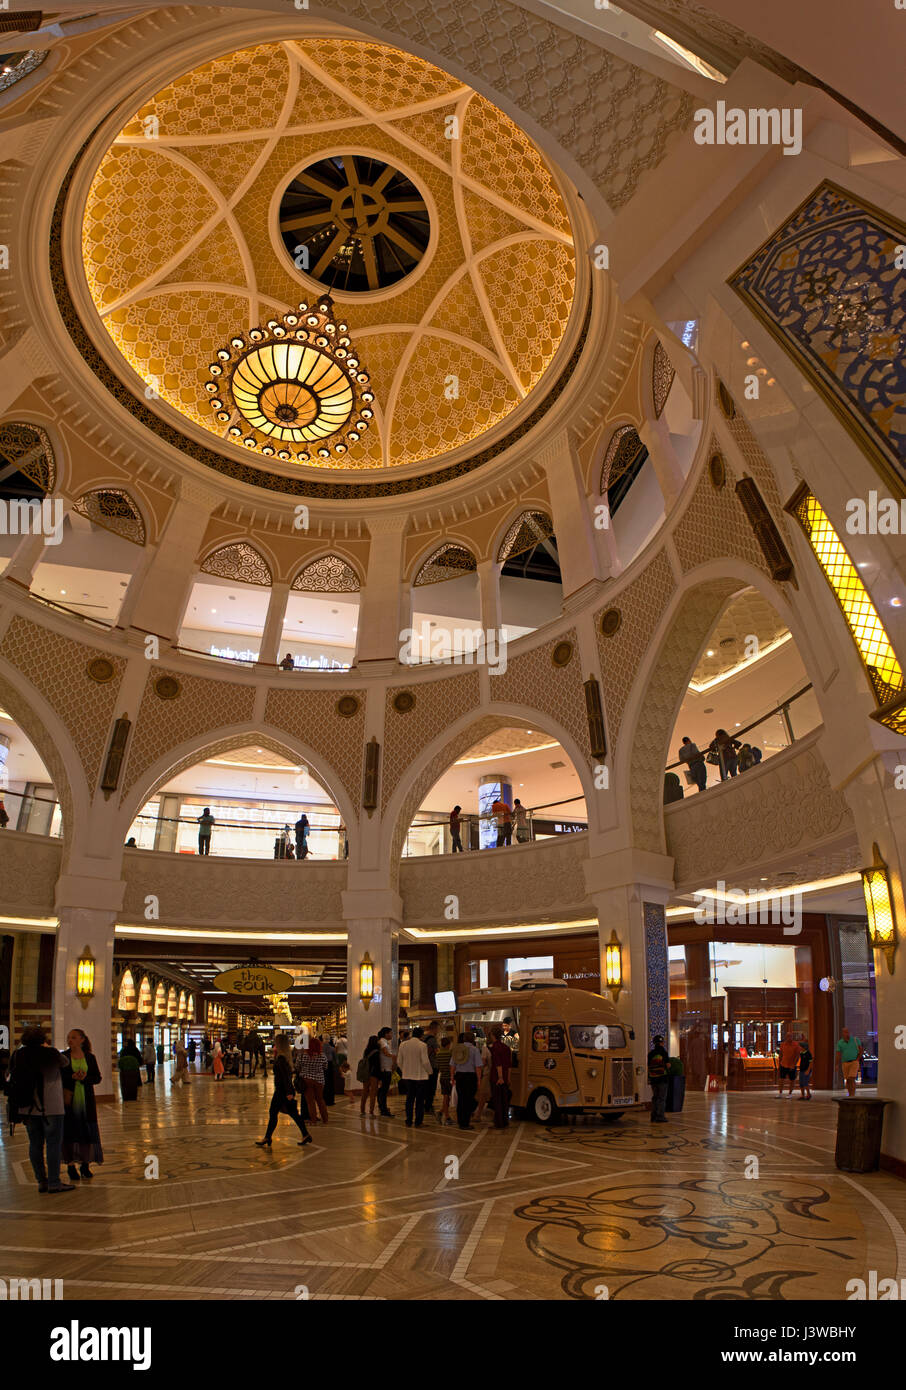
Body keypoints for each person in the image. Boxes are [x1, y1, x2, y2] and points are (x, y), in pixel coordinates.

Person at [10, 1026, 74, 1192]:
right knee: (53, 1144)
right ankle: (54, 1182)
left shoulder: (19, 1055)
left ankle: (41, 1181)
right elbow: (66, 1063)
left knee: (35, 1144)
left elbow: (10, 1076)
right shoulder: (51, 1053)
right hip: (52, 1107)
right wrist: (47, 1048)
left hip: (27, 1107)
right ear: (42, 1039)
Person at [61, 1028, 103, 1182]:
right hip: (69, 1102)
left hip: (86, 1101)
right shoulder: (64, 1057)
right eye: (69, 1037)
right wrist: (71, 1077)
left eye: (73, 1037)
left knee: (86, 1134)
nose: (70, 1040)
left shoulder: (90, 1057)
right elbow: (59, 1076)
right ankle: (71, 1166)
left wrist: (85, 1078)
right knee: (69, 1134)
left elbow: (97, 1077)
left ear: (82, 1040)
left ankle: (85, 1165)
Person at [256, 1034, 312, 1148]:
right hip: (283, 1090)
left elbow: (285, 1077)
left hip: (283, 1091)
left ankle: (268, 1137)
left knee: (280, 1114)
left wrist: (289, 1093)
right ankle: (268, 1137)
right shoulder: (285, 1057)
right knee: (284, 1114)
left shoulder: (281, 1059)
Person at [397, 1026, 432, 1127]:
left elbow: (399, 1061)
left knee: (409, 1098)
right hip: (420, 1077)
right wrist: (430, 1071)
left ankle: (408, 1120)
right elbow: (425, 1061)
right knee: (420, 1100)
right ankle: (418, 1121)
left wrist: (405, 1070)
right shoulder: (422, 1045)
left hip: (407, 1076)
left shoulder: (403, 1045)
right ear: (421, 1035)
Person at [451, 1031, 483, 1130]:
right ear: (473, 1039)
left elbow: (452, 1065)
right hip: (470, 1077)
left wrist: (452, 1077)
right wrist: (479, 1080)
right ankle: (466, 1123)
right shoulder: (474, 1050)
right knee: (469, 1099)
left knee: (461, 1099)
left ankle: (461, 1121)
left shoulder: (457, 1049)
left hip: (459, 1076)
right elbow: (478, 1066)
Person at [297, 1036, 329, 1123]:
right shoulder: (322, 1056)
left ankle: (313, 1120)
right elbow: (325, 1067)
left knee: (310, 1102)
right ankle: (325, 1119)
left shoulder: (303, 1055)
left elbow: (297, 1067)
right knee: (320, 1100)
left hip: (306, 1080)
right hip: (319, 1080)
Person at [488, 1024, 513, 1128]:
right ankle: (505, 1121)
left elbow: (498, 1064)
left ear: (493, 1035)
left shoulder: (495, 1047)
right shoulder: (506, 1048)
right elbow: (509, 1065)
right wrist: (508, 1078)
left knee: (497, 1101)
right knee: (504, 1101)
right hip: (506, 1077)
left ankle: (498, 1123)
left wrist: (500, 1077)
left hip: (497, 1078)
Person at [647, 1034, 670, 1123]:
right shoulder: (664, 1052)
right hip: (662, 1079)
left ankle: (653, 1116)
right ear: (662, 1043)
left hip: (653, 1079)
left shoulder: (650, 1054)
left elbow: (648, 1065)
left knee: (655, 1097)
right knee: (661, 1098)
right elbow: (667, 1065)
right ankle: (660, 1116)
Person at [836, 1027, 863, 1098]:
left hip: (854, 1061)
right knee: (848, 1079)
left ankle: (853, 1094)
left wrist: (857, 1059)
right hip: (845, 1062)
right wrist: (837, 1064)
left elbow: (860, 1050)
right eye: (844, 1032)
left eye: (847, 1032)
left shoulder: (855, 1040)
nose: (846, 1033)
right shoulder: (840, 1042)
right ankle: (849, 1093)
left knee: (852, 1078)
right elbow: (838, 1054)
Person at [358, 1035, 381, 1115]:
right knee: (373, 1093)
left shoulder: (366, 1050)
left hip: (366, 1073)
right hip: (374, 1074)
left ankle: (362, 1109)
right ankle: (371, 1111)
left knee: (365, 1091)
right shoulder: (377, 1052)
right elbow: (377, 1065)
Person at [434, 1033, 454, 1125]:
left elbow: (437, 1066)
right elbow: (452, 1066)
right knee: (446, 1097)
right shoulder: (450, 1054)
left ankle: (441, 1112)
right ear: (448, 1044)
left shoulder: (438, 1054)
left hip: (442, 1077)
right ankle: (447, 1116)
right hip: (449, 1077)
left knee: (447, 1096)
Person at [377, 1026, 395, 1116]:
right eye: (390, 1033)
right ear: (386, 1034)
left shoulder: (384, 1041)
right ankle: (383, 1109)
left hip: (386, 1068)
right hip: (385, 1069)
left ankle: (382, 1107)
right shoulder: (382, 1041)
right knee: (384, 1090)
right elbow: (385, 1052)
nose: (392, 1035)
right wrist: (393, 1057)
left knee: (383, 1089)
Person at [422, 1019, 439, 1117]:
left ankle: (425, 1105)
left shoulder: (423, 1038)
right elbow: (437, 1052)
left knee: (425, 1086)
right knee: (431, 1087)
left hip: (424, 1066)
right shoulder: (432, 1039)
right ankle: (428, 1106)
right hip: (432, 1066)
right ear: (435, 1028)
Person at [777, 1032, 801, 1097]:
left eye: (790, 1036)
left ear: (792, 1037)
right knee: (781, 1079)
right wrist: (779, 1064)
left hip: (792, 1065)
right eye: (787, 1036)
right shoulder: (782, 1044)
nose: (789, 1037)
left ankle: (790, 1094)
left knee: (792, 1080)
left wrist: (794, 1064)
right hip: (783, 1064)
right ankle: (780, 1093)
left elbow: (797, 1056)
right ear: (786, 1037)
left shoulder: (796, 1045)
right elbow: (780, 1055)